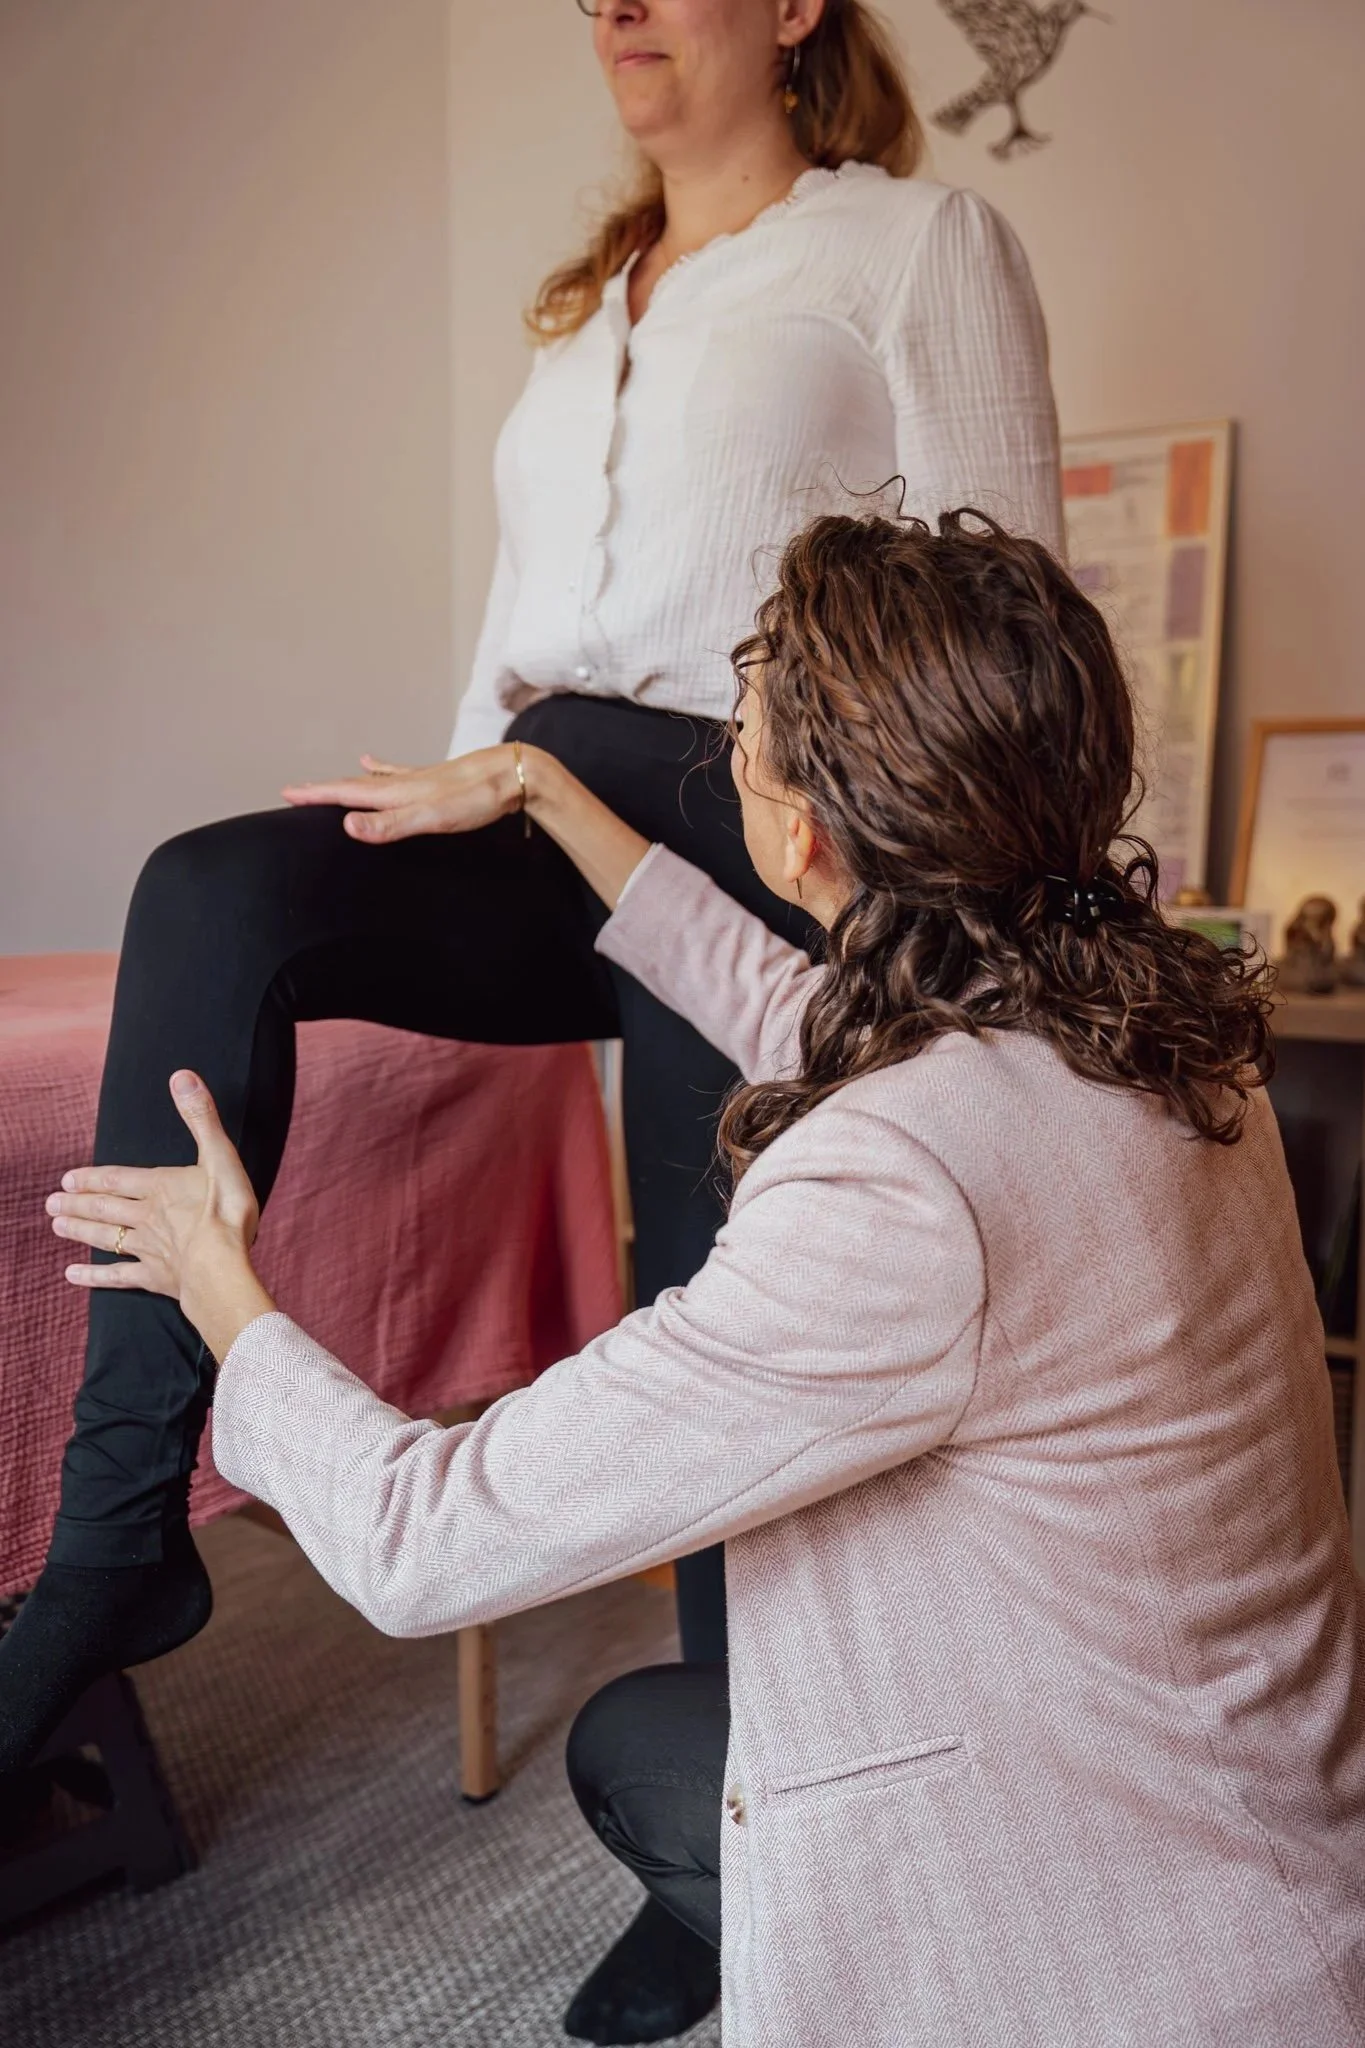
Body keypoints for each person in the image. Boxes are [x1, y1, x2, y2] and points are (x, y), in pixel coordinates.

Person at [1, 0, 1060, 2033]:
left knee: (711, 1297)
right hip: (532, 796)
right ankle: (114, 1542)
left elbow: (1010, 605)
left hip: (771, 816)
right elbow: (508, 659)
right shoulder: (584, 320)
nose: (617, 7)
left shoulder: (908, 250)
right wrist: (451, 792)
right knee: (211, 888)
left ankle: (737, 1841)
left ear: (794, 8)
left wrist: (943, 939)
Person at [44, 512, 1365, 2046]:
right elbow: (769, 992)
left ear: (803, 837)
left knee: (663, 1762)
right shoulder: (1150, 1032)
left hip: (1136, 1966)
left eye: (738, 743)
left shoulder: (901, 1179)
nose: (727, 758)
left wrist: (228, 1293)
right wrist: (540, 782)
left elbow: (424, 1538)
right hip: (1268, 1841)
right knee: (648, 1739)